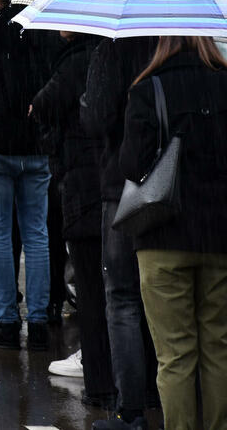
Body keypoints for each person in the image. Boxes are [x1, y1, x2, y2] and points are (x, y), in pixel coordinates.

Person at [120, 36, 227, 430]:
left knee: (176, 354)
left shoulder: (149, 89)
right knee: (219, 348)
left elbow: (130, 165)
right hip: (219, 236)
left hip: (163, 236)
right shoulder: (223, 82)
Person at [0, 1, 57, 352]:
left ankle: (6, 318)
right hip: (36, 144)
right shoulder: (42, 27)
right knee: (37, 234)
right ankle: (39, 321)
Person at [31, 32, 116, 407]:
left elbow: (42, 106)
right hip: (117, 187)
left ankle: (100, 382)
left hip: (85, 188)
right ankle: (135, 381)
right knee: (122, 288)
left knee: (94, 290)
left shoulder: (78, 61)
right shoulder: (121, 57)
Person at [82, 36, 160, 430]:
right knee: (166, 300)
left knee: (124, 298)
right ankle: (167, 397)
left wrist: (86, 101)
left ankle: (131, 410)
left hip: (122, 188)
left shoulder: (112, 50)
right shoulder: (186, 44)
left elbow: (95, 117)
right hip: (175, 188)